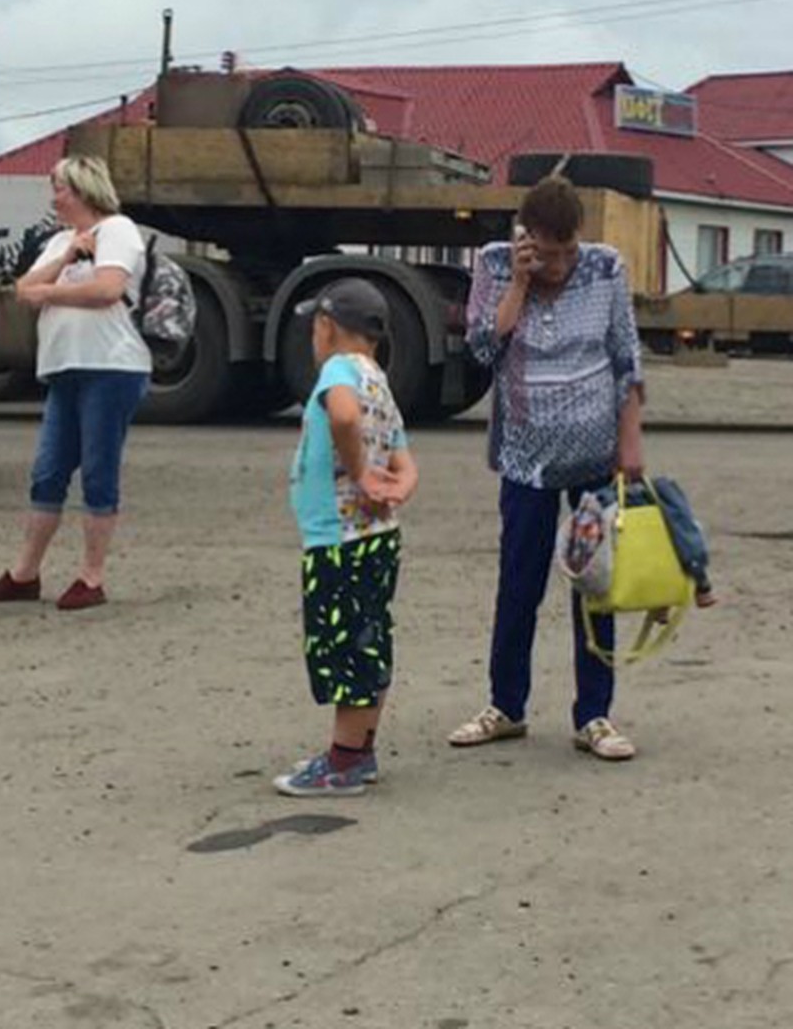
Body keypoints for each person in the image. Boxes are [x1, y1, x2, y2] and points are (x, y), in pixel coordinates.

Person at [449, 175, 646, 762]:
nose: (559, 265)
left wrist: (629, 442)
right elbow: (483, 348)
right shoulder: (494, 264)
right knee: (519, 584)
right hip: (525, 458)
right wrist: (520, 282)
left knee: (596, 585)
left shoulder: (606, 268)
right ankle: (506, 706)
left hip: (594, 456)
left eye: (566, 252)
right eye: (547, 252)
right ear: (525, 237)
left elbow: (625, 356)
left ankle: (595, 715)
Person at [0, 155, 151, 611]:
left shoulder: (119, 231)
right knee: (48, 472)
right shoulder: (61, 242)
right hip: (63, 368)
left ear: (84, 189)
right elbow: (21, 289)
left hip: (111, 367)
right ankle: (25, 573)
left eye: (60, 189)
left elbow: (108, 289)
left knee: (97, 470)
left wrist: (49, 293)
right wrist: (69, 258)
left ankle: (91, 576)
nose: (54, 198)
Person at [273, 278, 419, 796]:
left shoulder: (338, 370)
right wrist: (395, 483)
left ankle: (344, 761)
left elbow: (341, 415)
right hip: (378, 536)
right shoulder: (378, 378)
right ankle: (362, 749)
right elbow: (404, 458)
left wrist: (358, 472)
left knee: (342, 648)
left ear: (326, 327)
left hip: (339, 539)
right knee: (369, 638)